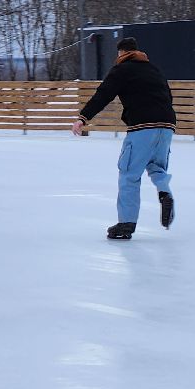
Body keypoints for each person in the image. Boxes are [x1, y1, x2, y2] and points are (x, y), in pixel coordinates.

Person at [71, 36, 177, 239]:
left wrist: (83, 118)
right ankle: (165, 192)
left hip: (142, 127)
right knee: (156, 167)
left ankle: (126, 224)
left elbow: (103, 95)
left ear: (121, 53)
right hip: (167, 126)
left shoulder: (121, 70)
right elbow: (168, 97)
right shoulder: (154, 69)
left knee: (129, 174)